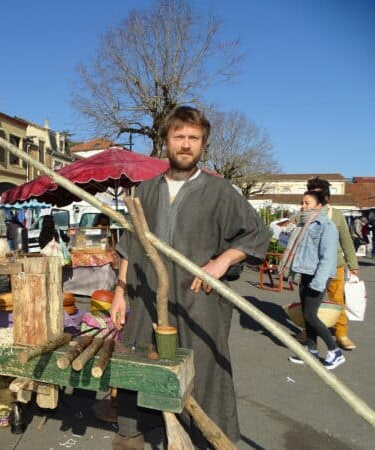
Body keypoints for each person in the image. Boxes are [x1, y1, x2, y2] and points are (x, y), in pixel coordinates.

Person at [109, 106, 270, 449]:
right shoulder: (145, 192)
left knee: (203, 369)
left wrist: (222, 261)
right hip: (148, 296)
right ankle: (132, 431)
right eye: (178, 136)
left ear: (203, 144)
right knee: (139, 359)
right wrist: (120, 291)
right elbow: (131, 245)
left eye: (193, 138)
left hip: (199, 301)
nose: (185, 144)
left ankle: (203, 437)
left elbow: (256, 234)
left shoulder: (220, 192)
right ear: (165, 141)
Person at [296, 177, 359, 350]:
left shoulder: (336, 215)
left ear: (326, 198)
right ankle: (309, 331)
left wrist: (353, 264)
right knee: (308, 302)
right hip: (309, 266)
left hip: (335, 265)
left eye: (318, 194)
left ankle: (341, 333)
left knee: (337, 300)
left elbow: (346, 241)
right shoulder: (304, 214)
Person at [284, 190, 344, 369]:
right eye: (302, 202)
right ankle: (311, 350)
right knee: (306, 314)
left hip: (318, 276)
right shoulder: (304, 225)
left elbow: (327, 258)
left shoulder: (326, 226)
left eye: (307, 203)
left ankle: (335, 351)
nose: (303, 206)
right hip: (306, 274)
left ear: (319, 205)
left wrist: (318, 283)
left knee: (311, 315)